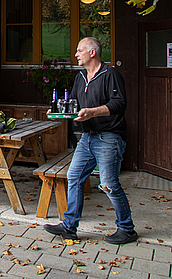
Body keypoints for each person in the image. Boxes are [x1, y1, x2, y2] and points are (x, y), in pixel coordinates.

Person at [44, 37, 138, 245]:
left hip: (109, 137)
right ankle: (69, 226)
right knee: (74, 176)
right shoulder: (80, 77)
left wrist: (93, 113)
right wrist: (58, 111)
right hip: (87, 137)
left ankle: (127, 229)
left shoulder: (110, 74)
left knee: (108, 184)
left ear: (92, 52)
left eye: (79, 50)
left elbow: (119, 104)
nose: (76, 54)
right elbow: (74, 103)